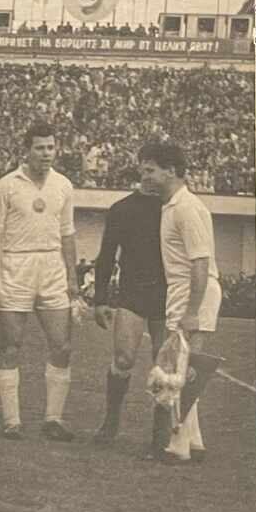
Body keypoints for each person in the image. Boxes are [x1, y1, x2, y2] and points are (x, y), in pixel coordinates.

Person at [0, 122, 80, 441]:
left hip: (52, 267)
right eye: (40, 148)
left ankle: (53, 419)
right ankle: (12, 420)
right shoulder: (6, 186)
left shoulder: (63, 186)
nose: (46, 154)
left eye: (50, 147)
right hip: (16, 265)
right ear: (27, 150)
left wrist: (72, 279)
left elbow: (68, 233)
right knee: (10, 345)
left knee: (62, 344)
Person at [139, 142, 223, 462]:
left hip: (192, 290)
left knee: (177, 369)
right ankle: (194, 442)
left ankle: (176, 447)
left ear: (170, 171)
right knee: (184, 367)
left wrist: (191, 310)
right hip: (186, 289)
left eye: (150, 170)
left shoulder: (186, 208)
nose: (144, 176)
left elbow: (200, 263)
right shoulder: (173, 205)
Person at [91, 179, 168, 444]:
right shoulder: (122, 209)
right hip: (132, 292)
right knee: (123, 358)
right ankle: (110, 423)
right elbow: (106, 255)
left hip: (167, 294)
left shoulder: (174, 206)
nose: (150, 174)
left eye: (154, 169)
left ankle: (161, 434)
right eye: (145, 168)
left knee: (165, 364)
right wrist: (99, 299)